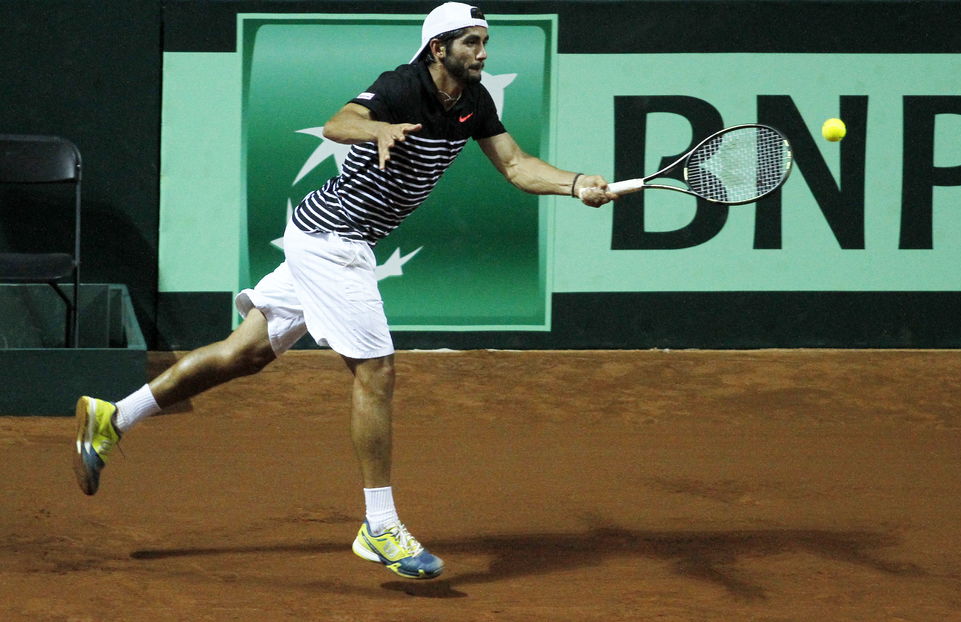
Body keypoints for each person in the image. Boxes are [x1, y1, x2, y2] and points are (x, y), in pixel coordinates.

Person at [72, 2, 614, 581]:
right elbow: (339, 123)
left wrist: (575, 184)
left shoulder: (475, 102)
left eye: (485, 42)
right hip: (334, 240)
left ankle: (114, 417)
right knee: (376, 370)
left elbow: (516, 165)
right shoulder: (401, 86)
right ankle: (379, 525)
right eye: (471, 43)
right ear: (439, 48)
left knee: (243, 354)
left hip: (327, 238)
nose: (483, 52)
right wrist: (377, 128)